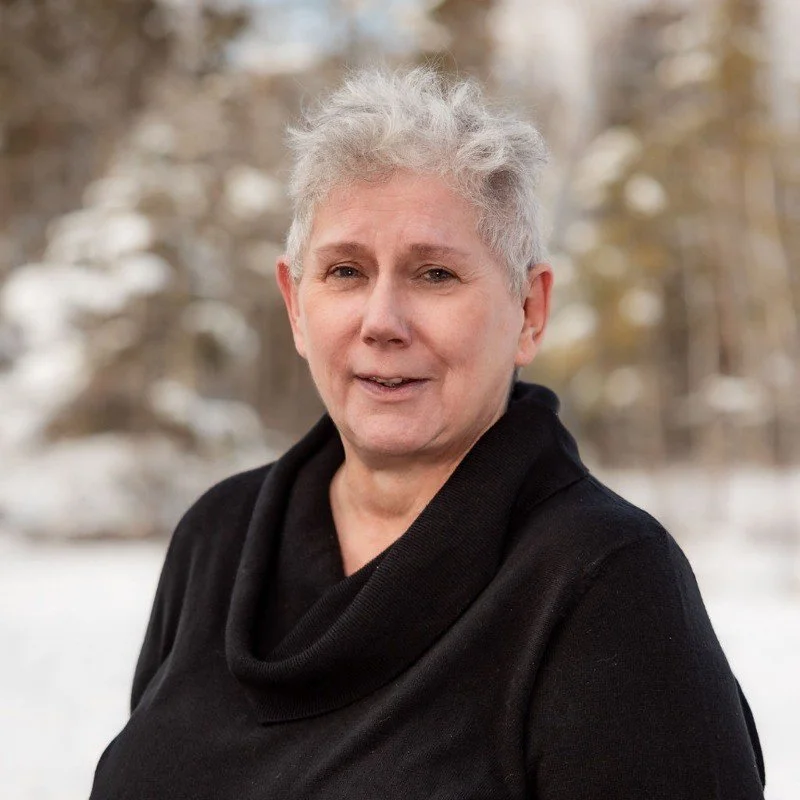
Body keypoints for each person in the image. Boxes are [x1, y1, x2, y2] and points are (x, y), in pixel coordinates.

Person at [90, 67, 765, 799]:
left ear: (530, 311)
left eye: (435, 274)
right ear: (293, 303)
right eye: (346, 270)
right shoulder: (217, 537)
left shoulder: (603, 584)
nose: (382, 321)